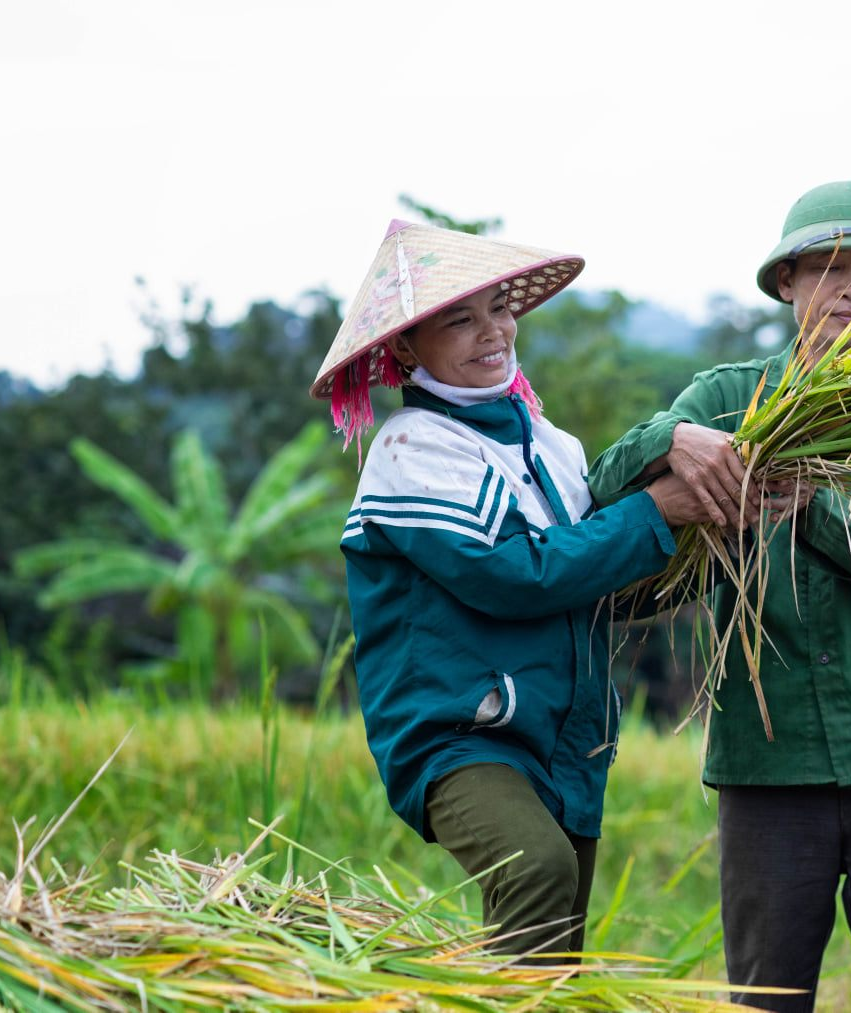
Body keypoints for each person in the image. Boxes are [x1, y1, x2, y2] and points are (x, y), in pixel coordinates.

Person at [588, 182, 851, 1011]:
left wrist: (813, 503)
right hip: (768, 765)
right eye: (831, 267)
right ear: (787, 284)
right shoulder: (728, 401)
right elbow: (602, 493)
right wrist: (671, 439)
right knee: (765, 997)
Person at [308, 220, 716, 958]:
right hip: (463, 735)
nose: (490, 331)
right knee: (536, 869)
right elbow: (512, 576)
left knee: (555, 947)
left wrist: (715, 532)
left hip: (568, 737)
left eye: (498, 308)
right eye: (458, 320)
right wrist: (653, 511)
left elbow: (600, 586)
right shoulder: (411, 452)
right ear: (405, 349)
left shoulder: (553, 447)